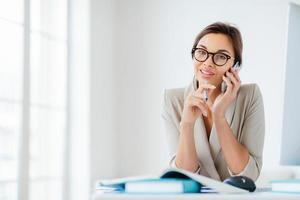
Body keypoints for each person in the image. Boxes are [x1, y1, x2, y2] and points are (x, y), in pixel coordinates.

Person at [162, 22, 265, 181]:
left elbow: (248, 175)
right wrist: (187, 124)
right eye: (202, 52)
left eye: (221, 56)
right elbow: (182, 177)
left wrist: (219, 115)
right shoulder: (173, 100)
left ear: (235, 66)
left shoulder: (250, 96)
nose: (208, 62)